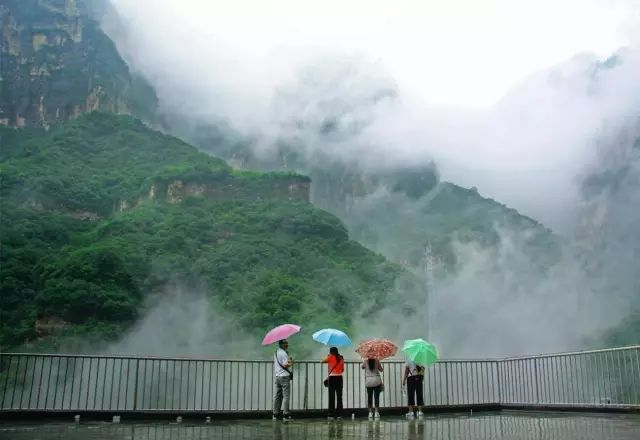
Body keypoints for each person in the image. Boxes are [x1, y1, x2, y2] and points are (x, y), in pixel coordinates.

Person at [321, 346, 344, 419]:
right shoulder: (341, 358)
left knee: (331, 396)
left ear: (331, 352)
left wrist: (328, 356)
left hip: (332, 378)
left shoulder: (330, 357)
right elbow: (342, 369)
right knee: (339, 397)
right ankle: (339, 414)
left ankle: (331, 414)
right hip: (339, 378)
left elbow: (321, 361)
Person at [273, 339, 293, 421]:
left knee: (278, 396)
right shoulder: (283, 353)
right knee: (286, 396)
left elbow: (281, 363)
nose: (287, 344)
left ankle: (275, 414)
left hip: (278, 376)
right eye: (286, 343)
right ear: (281, 344)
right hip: (284, 376)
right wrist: (291, 362)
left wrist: (287, 359)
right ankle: (286, 414)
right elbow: (285, 365)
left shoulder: (276, 352)